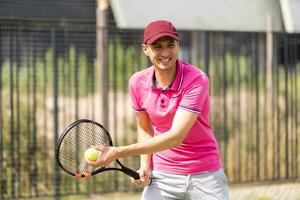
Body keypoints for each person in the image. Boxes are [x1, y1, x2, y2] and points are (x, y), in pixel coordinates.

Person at [88, 19, 229, 200]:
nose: (165, 52)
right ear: (145, 49)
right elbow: (145, 128)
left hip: (205, 175)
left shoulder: (196, 79)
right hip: (162, 177)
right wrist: (145, 165)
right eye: (157, 47)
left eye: (170, 45)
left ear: (178, 45)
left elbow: (176, 136)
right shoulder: (137, 82)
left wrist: (119, 151)